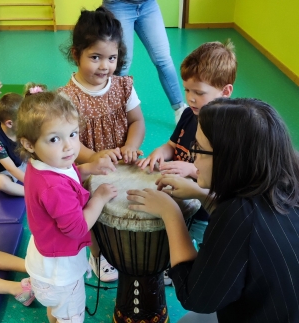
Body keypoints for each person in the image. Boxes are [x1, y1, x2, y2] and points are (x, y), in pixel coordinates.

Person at [127, 97, 299, 323]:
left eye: (198, 149)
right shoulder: (286, 181)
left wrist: (171, 213)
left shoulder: (238, 216)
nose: (192, 156)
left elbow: (195, 296)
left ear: (229, 159)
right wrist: (202, 194)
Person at [136, 40, 237, 284]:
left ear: (225, 91)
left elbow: (227, 172)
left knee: (199, 242)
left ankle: (191, 271)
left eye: (199, 93)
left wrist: (192, 169)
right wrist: (160, 152)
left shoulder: (229, 128)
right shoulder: (189, 115)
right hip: (177, 195)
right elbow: (172, 145)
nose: (190, 99)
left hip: (205, 210)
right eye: (187, 91)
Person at [59, 6, 145, 282]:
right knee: (92, 211)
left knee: (130, 204)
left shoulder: (123, 86)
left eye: (111, 57)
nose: (104, 66)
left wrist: (131, 145)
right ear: (76, 54)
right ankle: (98, 255)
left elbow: (137, 122)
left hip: (122, 163)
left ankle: (125, 245)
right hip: (87, 166)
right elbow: (70, 141)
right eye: (95, 57)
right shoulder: (67, 97)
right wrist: (95, 158)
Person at [17, 89, 118, 323]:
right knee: (70, 317)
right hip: (60, 275)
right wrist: (99, 198)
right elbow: (77, 228)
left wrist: (88, 168)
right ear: (29, 144)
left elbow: (67, 176)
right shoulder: (54, 188)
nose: (69, 147)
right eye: (55, 139)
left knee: (56, 312)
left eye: (73, 134)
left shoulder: (41, 164)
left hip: (43, 262)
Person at [102, 0, 186, 123]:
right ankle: (112, 113)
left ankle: (181, 110)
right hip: (118, 4)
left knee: (163, 59)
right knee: (121, 64)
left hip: (148, 4)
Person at [0, 90, 25, 196]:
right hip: (6, 171)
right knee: (1, 183)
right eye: (23, 121)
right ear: (9, 123)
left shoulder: (22, 127)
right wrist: (33, 184)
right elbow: (11, 168)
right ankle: (32, 194)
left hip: (23, 163)